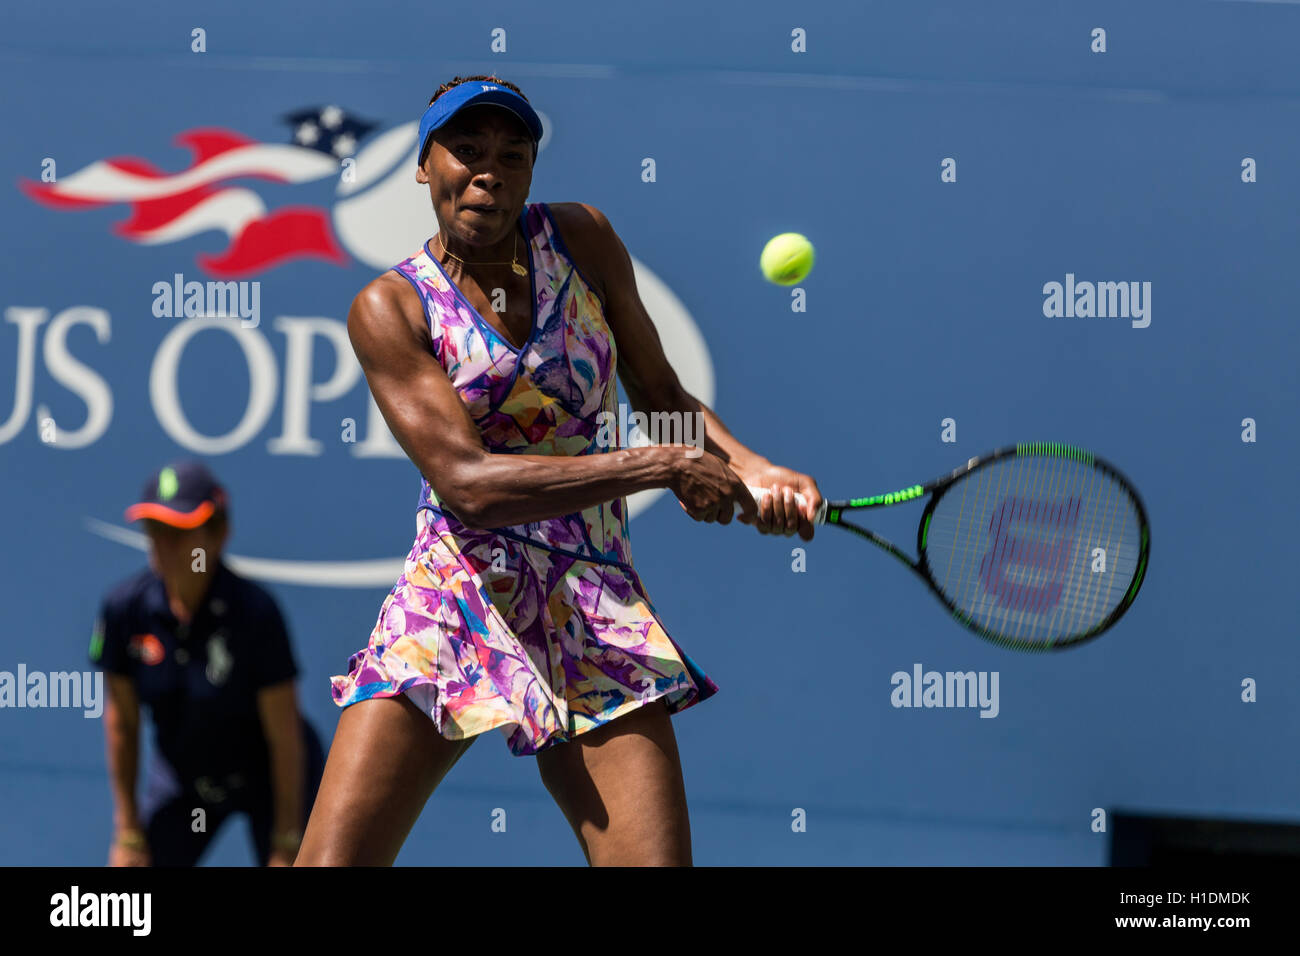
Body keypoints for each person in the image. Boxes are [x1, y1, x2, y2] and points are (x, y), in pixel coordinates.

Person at [296, 75, 821, 867]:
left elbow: (659, 393)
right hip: (455, 601)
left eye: (512, 155)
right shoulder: (391, 308)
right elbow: (468, 484)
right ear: (422, 165)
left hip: (593, 603)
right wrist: (661, 465)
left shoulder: (581, 239)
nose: (488, 172)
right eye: (466, 151)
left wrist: (751, 470)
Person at [90, 460, 325, 866]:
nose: (165, 543)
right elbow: (123, 724)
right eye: (155, 530)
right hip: (185, 780)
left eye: (181, 531)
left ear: (218, 535)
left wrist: (287, 840)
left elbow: (283, 735)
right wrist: (128, 833)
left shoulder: (256, 613)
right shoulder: (123, 609)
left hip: (271, 778)